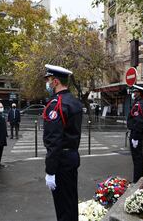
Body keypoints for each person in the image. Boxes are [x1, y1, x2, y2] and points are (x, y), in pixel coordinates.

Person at [43, 64, 83, 221]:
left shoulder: (57, 104)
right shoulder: (74, 101)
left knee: (63, 207)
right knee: (71, 203)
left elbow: (54, 140)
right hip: (72, 156)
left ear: (56, 82)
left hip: (61, 161)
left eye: (49, 80)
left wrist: (50, 170)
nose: (47, 83)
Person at [127, 84, 143, 183]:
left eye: (135, 92)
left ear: (139, 93)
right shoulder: (142, 103)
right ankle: (138, 177)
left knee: (137, 158)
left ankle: (137, 179)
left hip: (136, 133)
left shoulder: (138, 105)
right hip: (139, 132)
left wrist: (135, 137)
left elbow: (138, 121)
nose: (133, 93)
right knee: (138, 157)